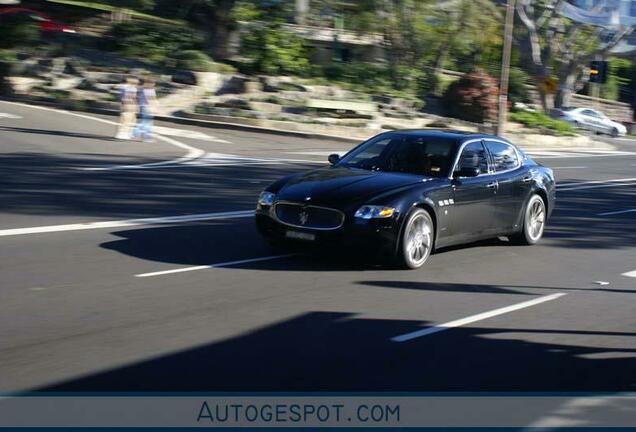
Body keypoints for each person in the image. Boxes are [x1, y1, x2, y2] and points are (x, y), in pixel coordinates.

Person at [132, 77, 157, 142]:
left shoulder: (142, 89)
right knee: (146, 123)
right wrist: (153, 107)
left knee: (145, 122)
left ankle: (140, 136)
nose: (154, 84)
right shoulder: (148, 90)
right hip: (147, 107)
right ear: (149, 83)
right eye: (153, 83)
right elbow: (150, 100)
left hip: (143, 107)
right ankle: (143, 137)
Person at [115, 76, 138, 140]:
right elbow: (132, 98)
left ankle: (122, 133)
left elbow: (121, 98)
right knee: (127, 120)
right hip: (129, 106)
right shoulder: (130, 88)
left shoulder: (124, 87)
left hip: (126, 105)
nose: (137, 83)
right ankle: (123, 134)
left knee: (125, 120)